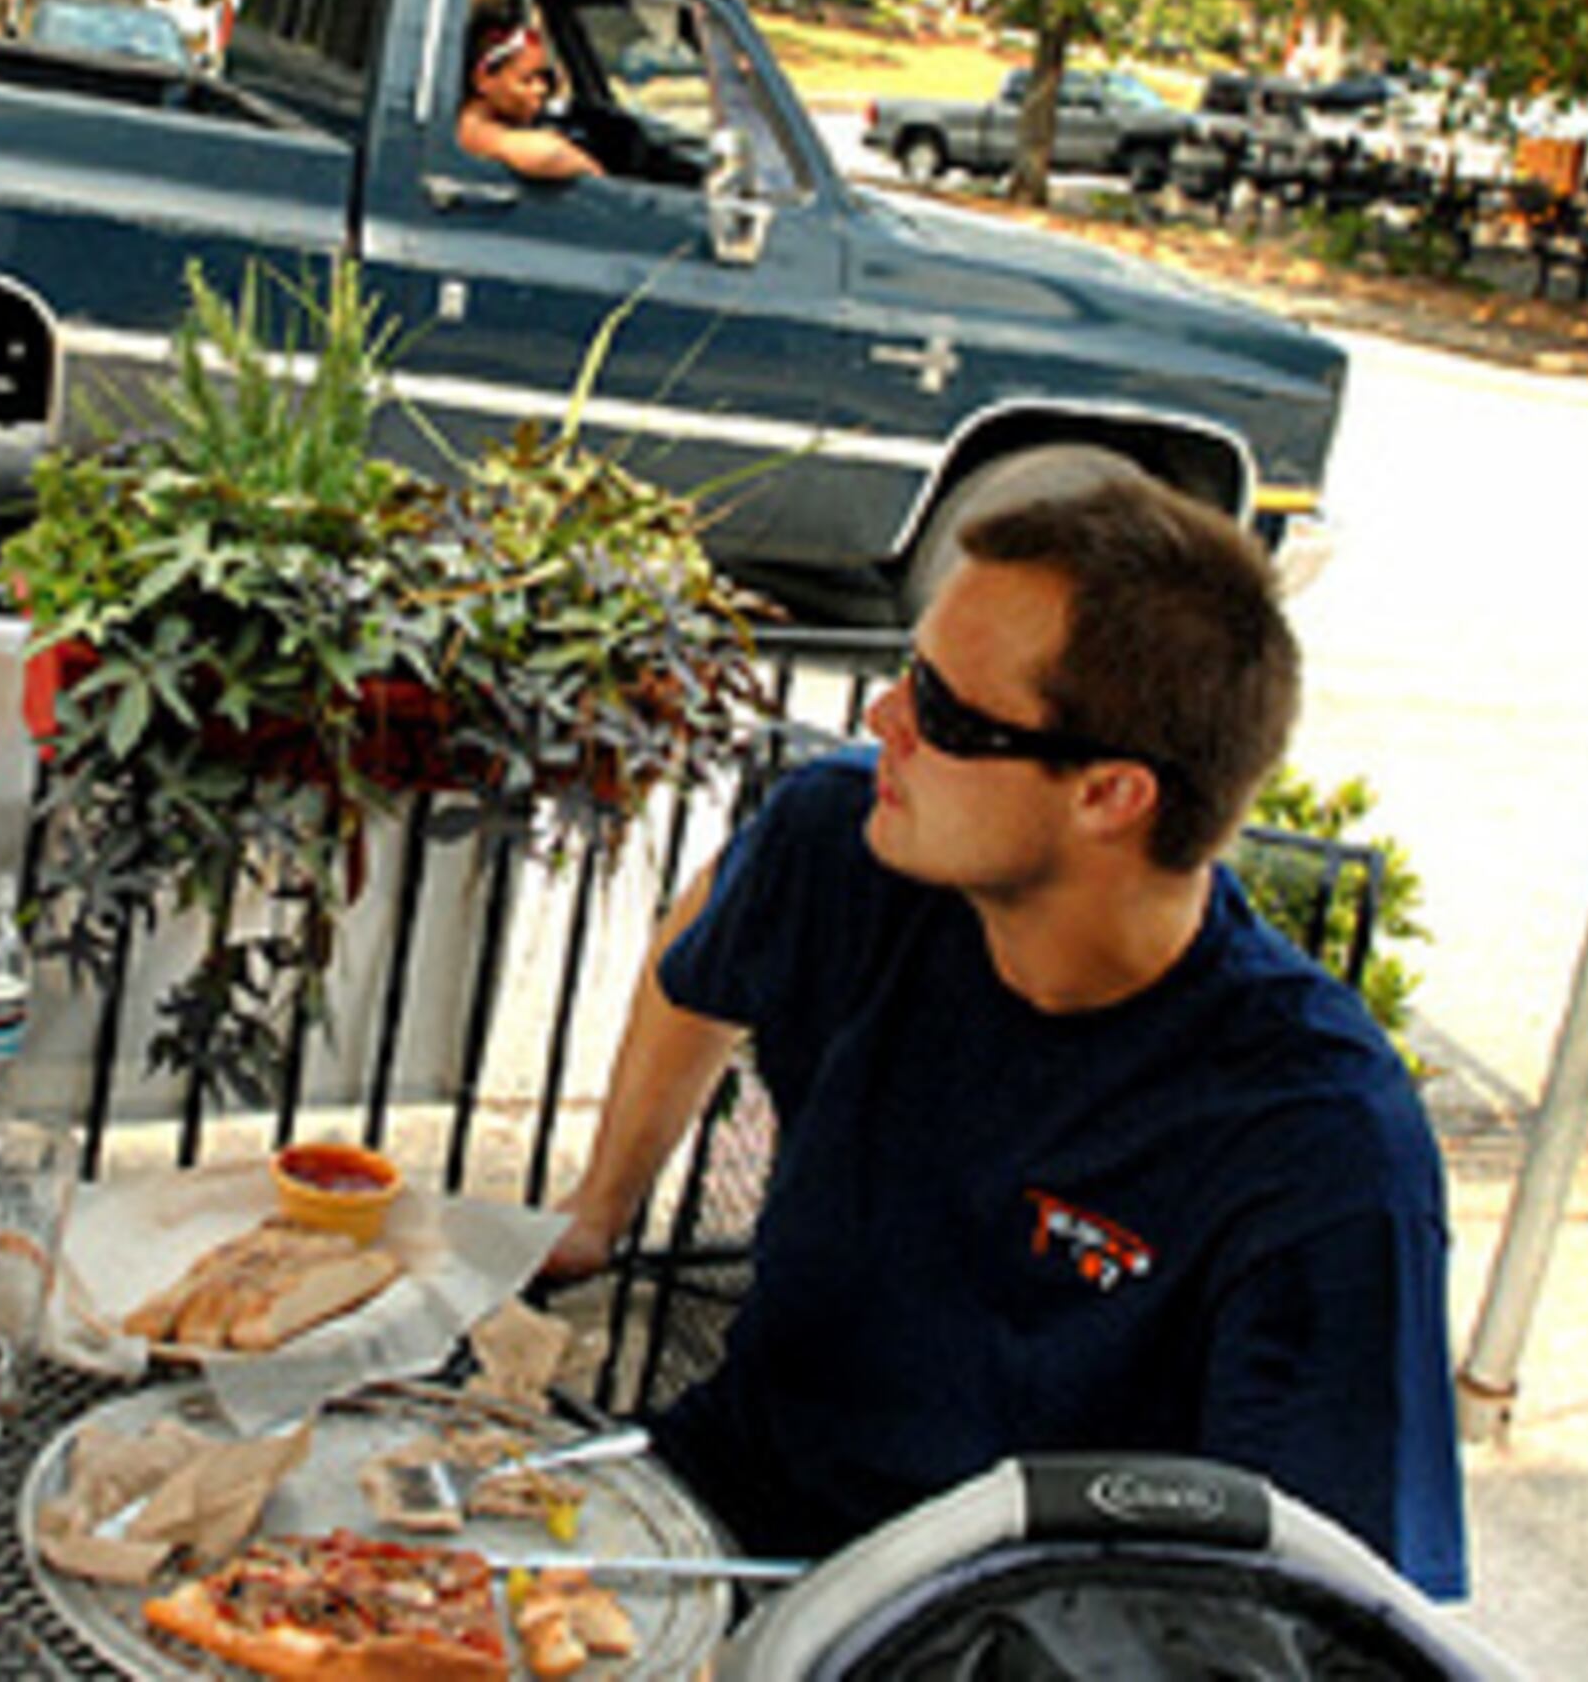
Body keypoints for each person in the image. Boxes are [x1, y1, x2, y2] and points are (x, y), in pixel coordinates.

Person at [541, 471, 1467, 1600]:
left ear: (1109, 796)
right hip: (712, 1526)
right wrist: (600, 1208)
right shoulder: (844, 847)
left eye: (940, 708)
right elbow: (707, 937)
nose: (884, 719)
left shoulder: (1320, 1143)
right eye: (905, 673)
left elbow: (1329, 1604)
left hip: (1008, 1635)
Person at [457, 10, 603, 181]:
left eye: (543, 77)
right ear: (483, 79)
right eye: (526, 80)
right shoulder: (469, 128)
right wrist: (592, 170)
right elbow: (549, 154)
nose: (540, 89)